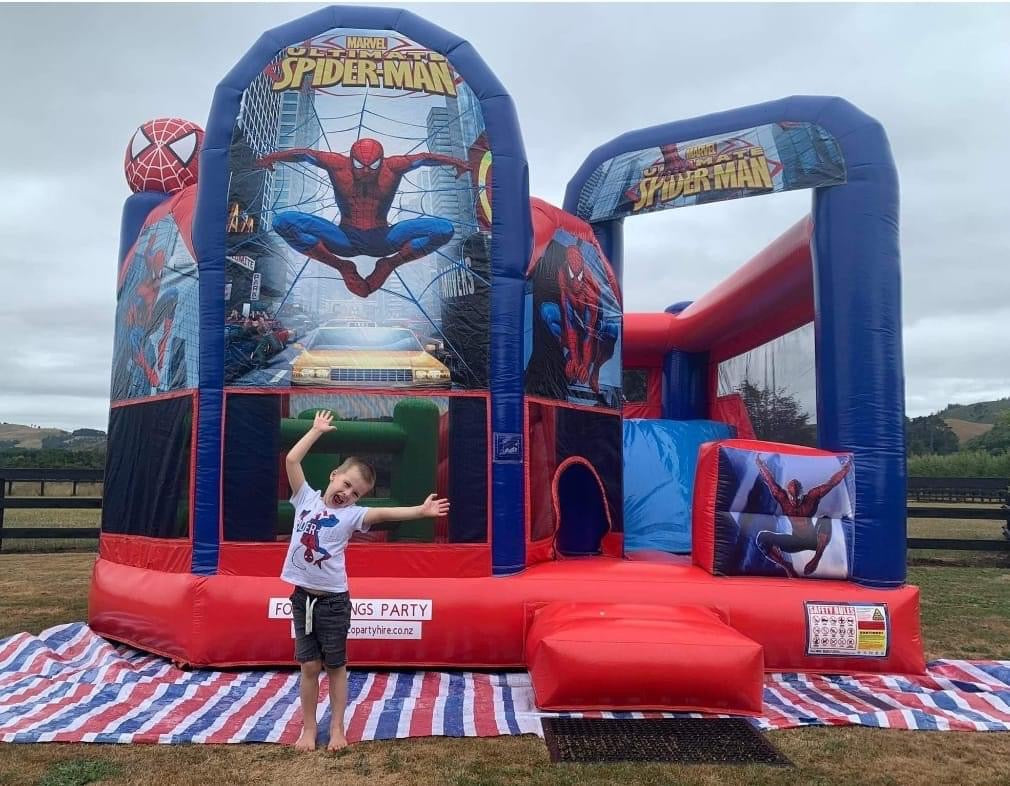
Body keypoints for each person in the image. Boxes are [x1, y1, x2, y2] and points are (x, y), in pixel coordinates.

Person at [282, 409, 449, 752]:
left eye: (355, 492)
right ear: (332, 477)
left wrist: (420, 511)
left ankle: (339, 728)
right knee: (309, 665)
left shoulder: (354, 516)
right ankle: (309, 730)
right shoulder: (306, 499)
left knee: (336, 666)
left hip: (333, 601)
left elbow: (386, 513)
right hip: (302, 598)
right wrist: (315, 431)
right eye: (345, 484)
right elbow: (292, 460)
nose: (347, 493)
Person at [256, 138, 470, 298]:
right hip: (343, 239)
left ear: (381, 161)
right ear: (351, 160)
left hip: (383, 239)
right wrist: (273, 157)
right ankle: (342, 267)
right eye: (359, 165)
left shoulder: (393, 166)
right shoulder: (337, 164)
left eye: (373, 166)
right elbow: (305, 154)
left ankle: (390, 264)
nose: (366, 171)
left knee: (444, 229)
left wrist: (454, 161)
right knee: (282, 222)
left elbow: (423, 159)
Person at [753, 454, 852, 577]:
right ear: (788, 495)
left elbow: (831, 483)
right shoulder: (782, 497)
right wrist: (760, 464)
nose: (795, 502)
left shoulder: (812, 497)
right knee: (762, 538)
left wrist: (846, 469)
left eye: (798, 498)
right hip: (796, 541)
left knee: (825, 519)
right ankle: (786, 566)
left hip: (815, 541)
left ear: (802, 494)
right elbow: (769, 481)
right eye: (792, 499)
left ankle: (816, 558)